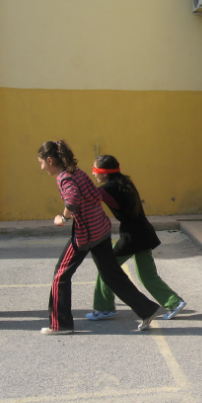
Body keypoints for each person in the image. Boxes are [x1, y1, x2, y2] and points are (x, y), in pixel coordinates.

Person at [37, 140, 160, 335]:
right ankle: (146, 309)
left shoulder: (64, 178)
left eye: (41, 163)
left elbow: (72, 200)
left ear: (50, 160)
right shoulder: (78, 172)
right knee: (111, 274)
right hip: (100, 229)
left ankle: (60, 325)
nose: (42, 167)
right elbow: (94, 195)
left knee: (60, 275)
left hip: (84, 235)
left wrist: (63, 218)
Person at [87, 155, 187, 321]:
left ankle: (104, 308)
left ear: (104, 173)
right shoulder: (124, 182)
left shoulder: (107, 189)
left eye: (95, 170)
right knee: (148, 275)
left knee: (106, 268)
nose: (93, 174)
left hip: (132, 237)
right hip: (144, 233)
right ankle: (174, 302)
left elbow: (87, 197)